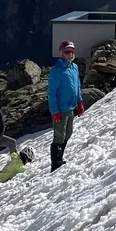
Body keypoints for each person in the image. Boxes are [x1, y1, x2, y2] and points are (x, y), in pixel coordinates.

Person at [47, 41, 84, 172]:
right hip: (61, 109)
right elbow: (51, 93)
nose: (70, 54)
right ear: (61, 53)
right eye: (67, 52)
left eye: (72, 51)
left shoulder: (74, 68)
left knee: (68, 134)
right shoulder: (56, 71)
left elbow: (77, 86)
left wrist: (79, 102)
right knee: (59, 136)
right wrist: (54, 111)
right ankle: (56, 163)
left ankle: (60, 157)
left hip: (71, 107)